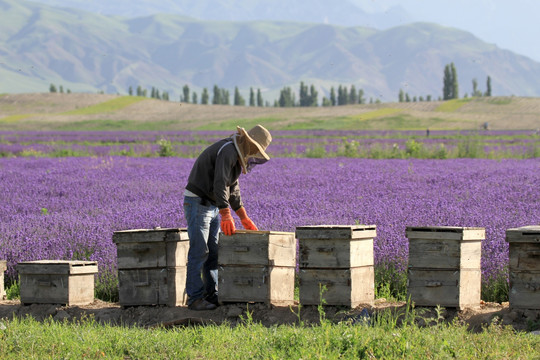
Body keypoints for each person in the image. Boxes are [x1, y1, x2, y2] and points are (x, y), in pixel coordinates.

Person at [183, 124, 272, 310]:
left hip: (213, 204)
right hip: (198, 202)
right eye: (256, 148)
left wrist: (243, 216)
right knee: (199, 251)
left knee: (214, 253)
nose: (255, 153)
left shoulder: (235, 155)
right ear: (249, 143)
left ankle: (212, 294)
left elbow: (233, 188)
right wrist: (226, 214)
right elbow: (220, 182)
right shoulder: (228, 151)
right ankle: (194, 299)